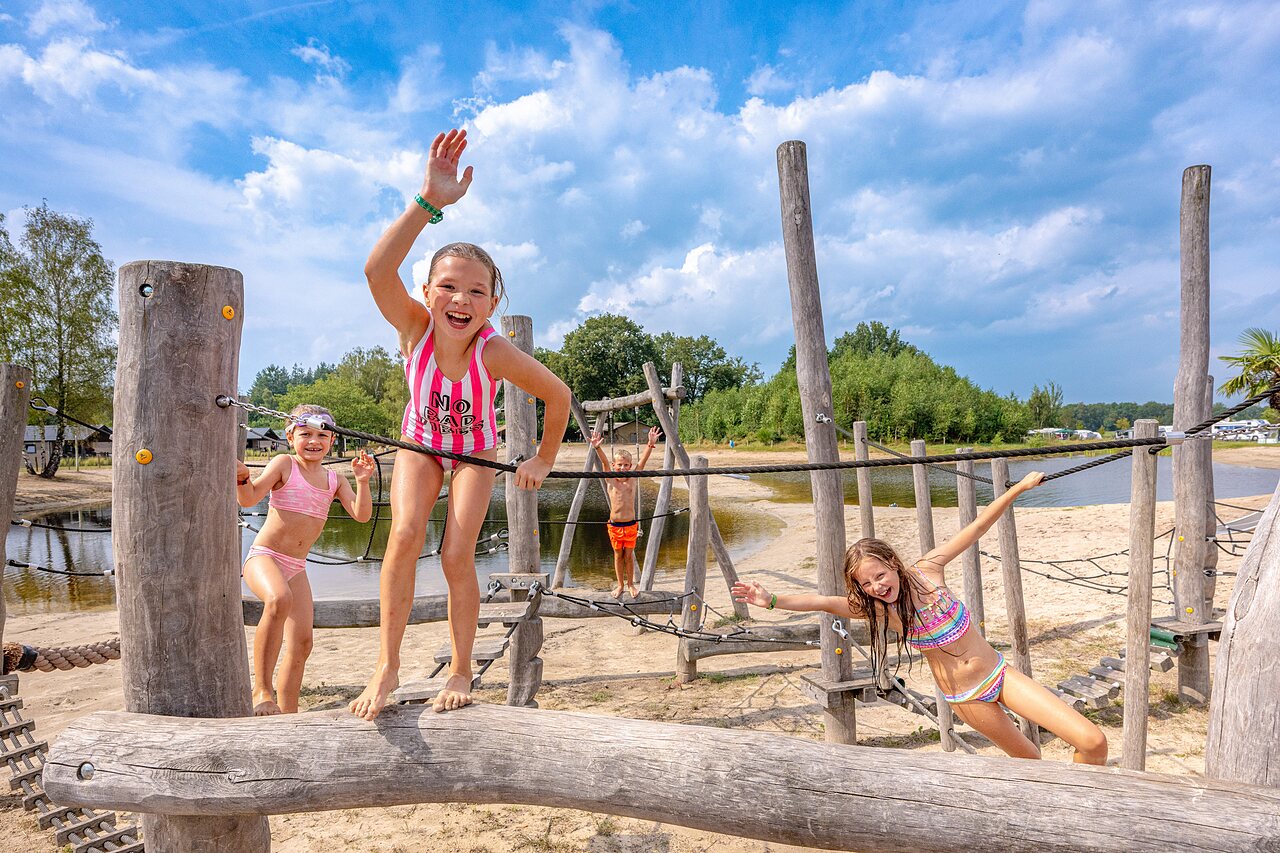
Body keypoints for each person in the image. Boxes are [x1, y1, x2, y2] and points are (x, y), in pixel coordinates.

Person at [350, 127, 571, 720]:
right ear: (426, 293)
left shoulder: (493, 351)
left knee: (454, 556)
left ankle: (462, 665)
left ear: (491, 304)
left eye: (477, 291)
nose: (461, 299)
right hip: (421, 445)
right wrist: (429, 202)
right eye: (447, 287)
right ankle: (387, 664)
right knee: (402, 537)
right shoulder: (415, 328)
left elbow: (558, 395)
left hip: (474, 453)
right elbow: (376, 270)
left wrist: (544, 458)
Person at [732, 471, 1108, 764]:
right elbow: (823, 602)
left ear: (894, 565)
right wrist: (772, 600)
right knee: (1033, 762)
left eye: (880, 576)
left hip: (1000, 674)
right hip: (967, 697)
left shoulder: (929, 570)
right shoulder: (881, 609)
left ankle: (1086, 806)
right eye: (867, 584)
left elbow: (976, 528)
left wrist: (1017, 490)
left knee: (1093, 742)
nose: (877, 586)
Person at [236, 405, 374, 716]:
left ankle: (289, 712)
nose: (314, 441)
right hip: (265, 557)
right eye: (305, 434)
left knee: (302, 642)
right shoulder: (285, 464)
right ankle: (261, 690)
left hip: (296, 566)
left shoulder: (334, 479)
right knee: (278, 599)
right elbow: (248, 498)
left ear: (332, 440)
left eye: (322, 436)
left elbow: (362, 515)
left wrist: (362, 481)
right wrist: (243, 477)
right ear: (290, 436)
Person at [589, 425, 661, 598]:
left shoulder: (633, 479)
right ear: (615, 466)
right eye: (620, 465)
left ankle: (630, 585)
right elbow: (604, 463)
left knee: (629, 556)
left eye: (626, 465)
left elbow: (641, 462)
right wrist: (597, 447)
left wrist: (650, 444)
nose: (623, 468)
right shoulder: (610, 479)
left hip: (630, 525)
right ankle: (620, 584)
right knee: (617, 555)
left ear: (630, 466)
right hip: (614, 525)